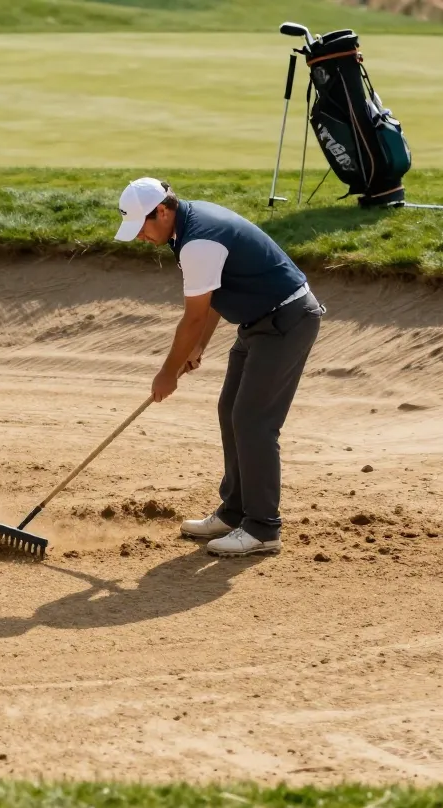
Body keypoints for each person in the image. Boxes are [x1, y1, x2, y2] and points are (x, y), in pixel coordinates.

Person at [114, 177, 323, 557]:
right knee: (231, 410)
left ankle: (262, 528)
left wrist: (167, 373)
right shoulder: (187, 228)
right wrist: (198, 347)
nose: (140, 237)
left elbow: (192, 317)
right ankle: (235, 513)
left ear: (162, 211)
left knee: (254, 421)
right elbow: (209, 298)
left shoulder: (197, 241)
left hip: (286, 322)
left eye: (142, 226)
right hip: (260, 323)